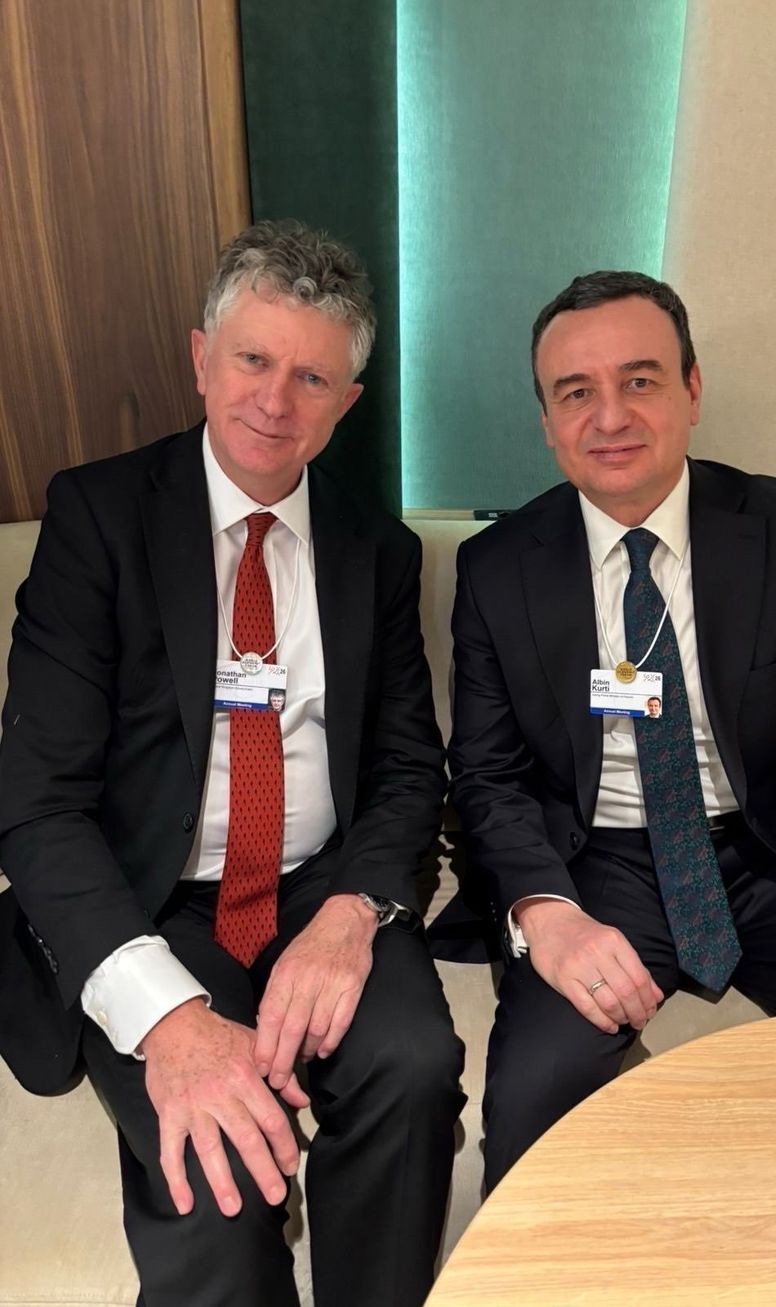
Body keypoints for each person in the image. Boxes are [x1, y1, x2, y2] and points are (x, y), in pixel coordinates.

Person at [0, 220, 464, 1307]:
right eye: (253, 358)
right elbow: (36, 801)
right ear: (201, 356)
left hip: (315, 888)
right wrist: (167, 1018)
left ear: (346, 402)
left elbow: (408, 768)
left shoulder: (376, 549)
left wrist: (353, 913)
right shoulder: (97, 517)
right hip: (148, 896)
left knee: (413, 1065)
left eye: (313, 377)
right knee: (215, 1173)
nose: (275, 400)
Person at [441, 269, 776, 1191]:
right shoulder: (495, 568)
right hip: (596, 869)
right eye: (576, 392)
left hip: (773, 857)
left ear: (692, 389)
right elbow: (486, 776)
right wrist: (546, 912)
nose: (610, 416)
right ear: (547, 421)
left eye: (640, 379)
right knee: (530, 1103)